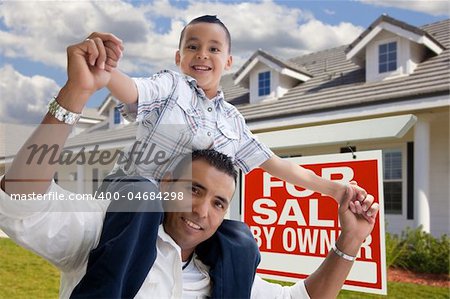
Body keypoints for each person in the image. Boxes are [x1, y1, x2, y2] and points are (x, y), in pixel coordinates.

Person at [0, 14, 378, 298]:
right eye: (193, 47)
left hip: (170, 212)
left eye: (214, 48)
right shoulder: (171, 87)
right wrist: (94, 78)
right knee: (146, 199)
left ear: (229, 62)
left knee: (240, 238)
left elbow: (275, 164)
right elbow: (130, 88)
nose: (203, 54)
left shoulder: (233, 122)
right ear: (179, 57)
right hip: (132, 197)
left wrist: (335, 189)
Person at [0, 149, 379, 299]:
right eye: (193, 190)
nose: (201, 210)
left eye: (218, 202)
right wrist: (74, 95)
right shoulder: (108, 230)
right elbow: (21, 199)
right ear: (165, 185)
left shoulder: (224, 264)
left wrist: (351, 240)